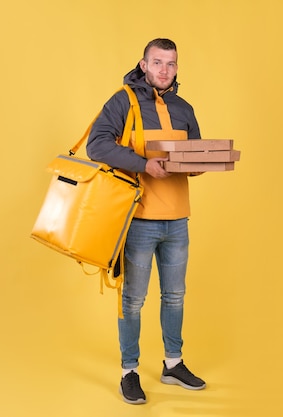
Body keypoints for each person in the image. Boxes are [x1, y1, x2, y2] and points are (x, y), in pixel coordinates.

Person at [86, 38, 205, 405]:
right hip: (137, 219)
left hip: (177, 219)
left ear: (177, 68)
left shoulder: (184, 107)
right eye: (157, 63)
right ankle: (129, 370)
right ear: (143, 64)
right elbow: (97, 144)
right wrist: (143, 164)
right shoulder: (123, 100)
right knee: (133, 300)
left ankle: (173, 363)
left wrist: (199, 165)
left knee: (175, 296)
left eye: (171, 64)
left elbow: (197, 151)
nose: (164, 70)